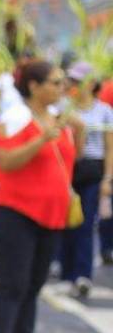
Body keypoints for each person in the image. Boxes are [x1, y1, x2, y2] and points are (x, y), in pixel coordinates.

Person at [0, 61, 79, 333]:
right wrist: (40, 139)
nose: (61, 88)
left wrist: (73, 134)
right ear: (34, 86)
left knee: (34, 285)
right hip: (16, 214)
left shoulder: (58, 120)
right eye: (54, 82)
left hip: (50, 217)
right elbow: (6, 162)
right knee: (13, 283)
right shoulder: (15, 118)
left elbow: (67, 163)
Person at [59, 62, 113, 298]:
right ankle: (67, 270)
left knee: (86, 222)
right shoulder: (63, 107)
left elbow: (109, 148)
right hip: (67, 168)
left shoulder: (104, 111)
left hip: (92, 169)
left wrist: (108, 178)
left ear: (91, 84)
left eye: (79, 81)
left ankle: (82, 275)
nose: (74, 86)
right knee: (66, 219)